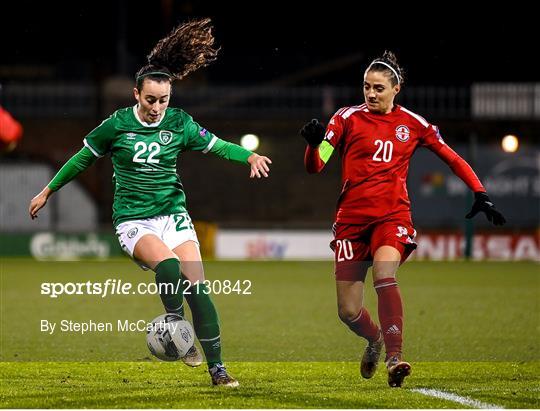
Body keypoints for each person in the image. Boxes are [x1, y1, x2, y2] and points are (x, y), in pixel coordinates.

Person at [29, 18, 272, 387]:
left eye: (164, 99)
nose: (157, 107)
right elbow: (82, 158)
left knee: (199, 289)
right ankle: (176, 325)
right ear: (136, 95)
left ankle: (217, 368)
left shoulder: (179, 123)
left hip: (173, 215)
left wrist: (249, 158)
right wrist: (48, 190)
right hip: (133, 220)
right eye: (150, 99)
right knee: (170, 266)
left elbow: (219, 145)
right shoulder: (116, 126)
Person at [300, 51, 505, 388]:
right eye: (366, 87)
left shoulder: (414, 124)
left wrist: (480, 192)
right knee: (348, 312)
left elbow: (452, 158)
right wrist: (312, 146)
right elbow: (317, 165)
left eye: (379, 88)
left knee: (384, 274)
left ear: (396, 88)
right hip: (351, 222)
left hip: (391, 216)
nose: (371, 93)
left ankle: (395, 357)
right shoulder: (346, 118)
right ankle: (376, 340)